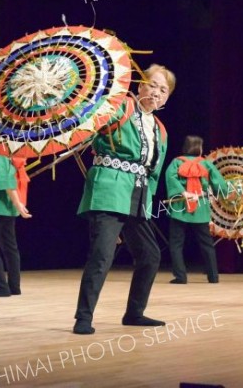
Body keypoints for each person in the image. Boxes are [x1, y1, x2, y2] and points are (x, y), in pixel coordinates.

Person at [73, 64, 176, 334]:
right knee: (101, 255)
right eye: (152, 85)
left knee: (150, 255)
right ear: (140, 86)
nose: (156, 93)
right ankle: (83, 317)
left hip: (137, 196)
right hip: (109, 190)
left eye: (163, 90)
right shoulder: (120, 107)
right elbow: (91, 120)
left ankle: (134, 313)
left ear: (167, 98)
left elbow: (153, 174)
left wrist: (146, 208)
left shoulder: (161, 131)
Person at [165, 135, 230, 284]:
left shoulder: (176, 162)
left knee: (176, 243)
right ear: (199, 148)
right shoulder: (206, 164)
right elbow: (220, 185)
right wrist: (220, 192)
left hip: (180, 206)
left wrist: (184, 193)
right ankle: (213, 276)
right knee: (206, 243)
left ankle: (180, 277)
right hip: (200, 207)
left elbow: (171, 178)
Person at [0, 151, 31, 297]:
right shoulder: (4, 156)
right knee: (10, 247)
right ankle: (14, 287)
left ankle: (2, 287)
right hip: (6, 207)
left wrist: (18, 204)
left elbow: (5, 183)